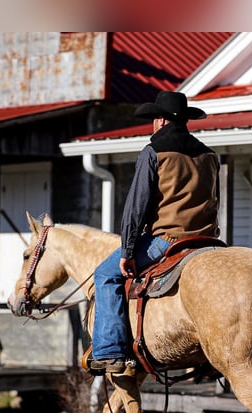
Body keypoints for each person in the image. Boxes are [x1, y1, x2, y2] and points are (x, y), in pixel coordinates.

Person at [86, 91, 220, 375]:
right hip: (207, 241)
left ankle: (109, 352)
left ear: (160, 120)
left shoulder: (154, 152)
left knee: (105, 275)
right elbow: (214, 201)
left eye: (153, 118)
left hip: (167, 240)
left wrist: (128, 251)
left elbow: (137, 206)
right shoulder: (209, 155)